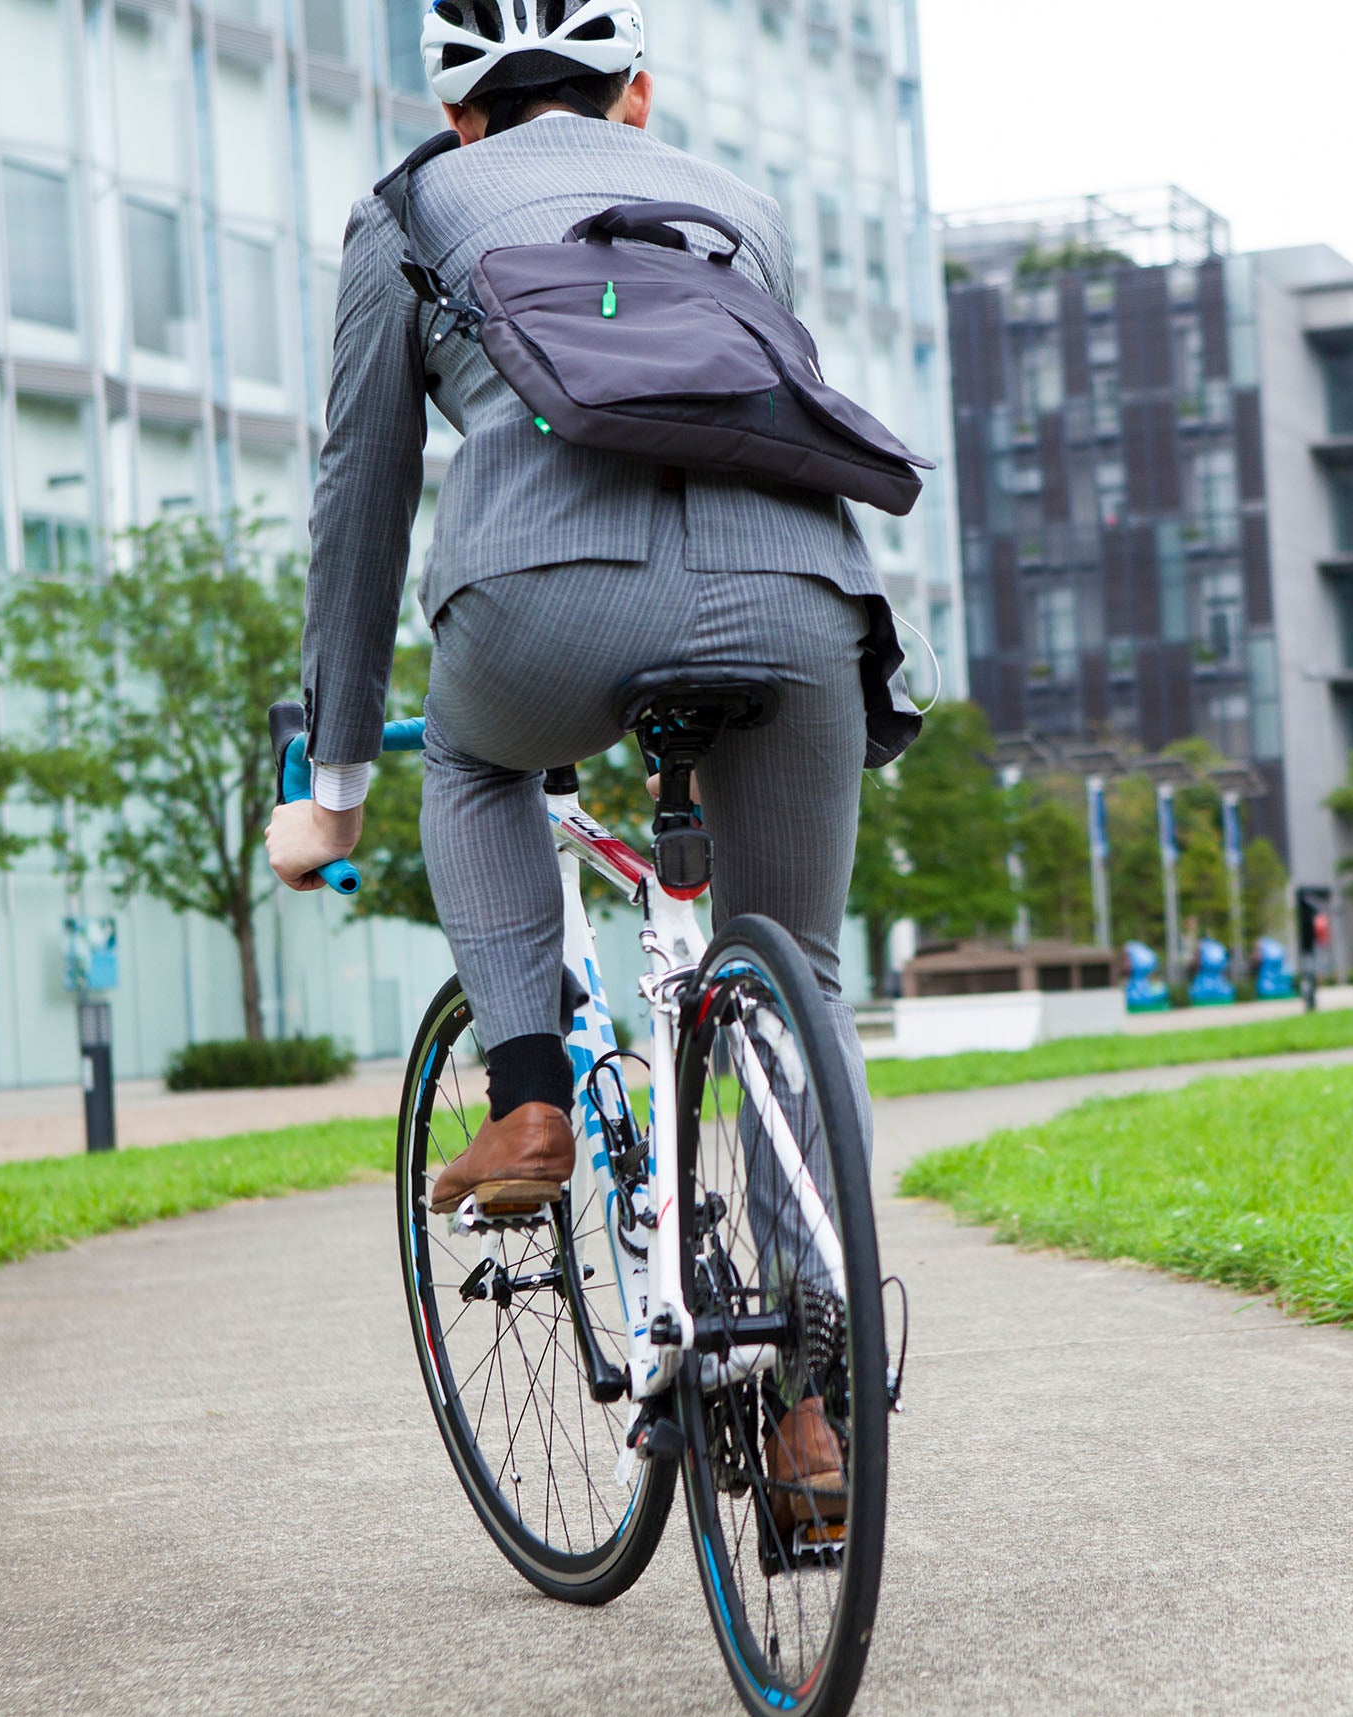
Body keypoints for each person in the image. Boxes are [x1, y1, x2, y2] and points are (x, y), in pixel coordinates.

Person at [265, 0, 882, 1527]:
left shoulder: (411, 206)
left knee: (470, 766)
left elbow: (363, 493)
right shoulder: (740, 204)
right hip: (804, 602)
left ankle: (530, 1090)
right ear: (638, 97)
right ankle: (811, 1410)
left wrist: (327, 781)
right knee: (790, 964)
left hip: (544, 602)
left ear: (459, 114)